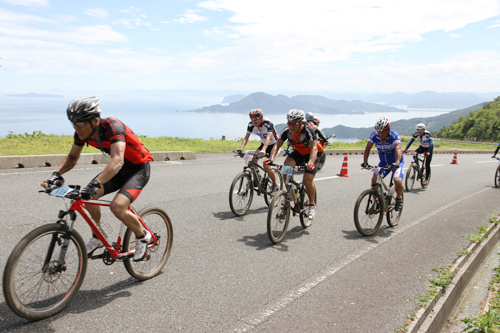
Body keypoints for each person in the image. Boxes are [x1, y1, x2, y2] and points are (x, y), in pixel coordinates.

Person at [41, 97, 153, 261]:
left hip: (138, 169)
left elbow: (117, 159)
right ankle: (98, 237)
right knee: (87, 198)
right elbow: (72, 158)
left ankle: (143, 236)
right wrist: (56, 175)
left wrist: (96, 183)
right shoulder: (82, 133)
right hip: (118, 170)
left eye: (79, 123)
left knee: (117, 206)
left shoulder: (113, 127)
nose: (76, 127)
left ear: (94, 120)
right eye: (72, 123)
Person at [265, 109, 323, 220]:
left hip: (313, 154)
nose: (291, 126)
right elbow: (277, 145)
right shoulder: (286, 131)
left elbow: (314, 148)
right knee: (286, 168)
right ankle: (290, 195)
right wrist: (271, 159)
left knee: (307, 180)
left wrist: (310, 163)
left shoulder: (308, 130)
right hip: (299, 152)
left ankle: (311, 205)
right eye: (289, 123)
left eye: (294, 123)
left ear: (301, 123)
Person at [361, 116, 404, 211]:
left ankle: (399, 198)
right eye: (379, 131)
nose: (381, 134)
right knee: (374, 179)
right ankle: (376, 203)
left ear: (388, 129)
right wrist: (365, 161)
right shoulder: (374, 135)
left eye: (383, 131)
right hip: (383, 163)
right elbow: (368, 148)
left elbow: (398, 149)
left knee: (397, 181)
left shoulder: (394, 135)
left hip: (396, 163)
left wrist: (397, 162)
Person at [235, 108, 280, 193]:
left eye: (256, 119)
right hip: (263, 144)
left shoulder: (268, 123)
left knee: (266, 165)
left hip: (274, 145)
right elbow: (246, 137)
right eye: (252, 119)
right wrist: (240, 149)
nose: (254, 121)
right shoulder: (251, 125)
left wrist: (263, 150)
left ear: (261, 117)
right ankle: (257, 177)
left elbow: (268, 138)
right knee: (253, 159)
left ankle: (275, 185)